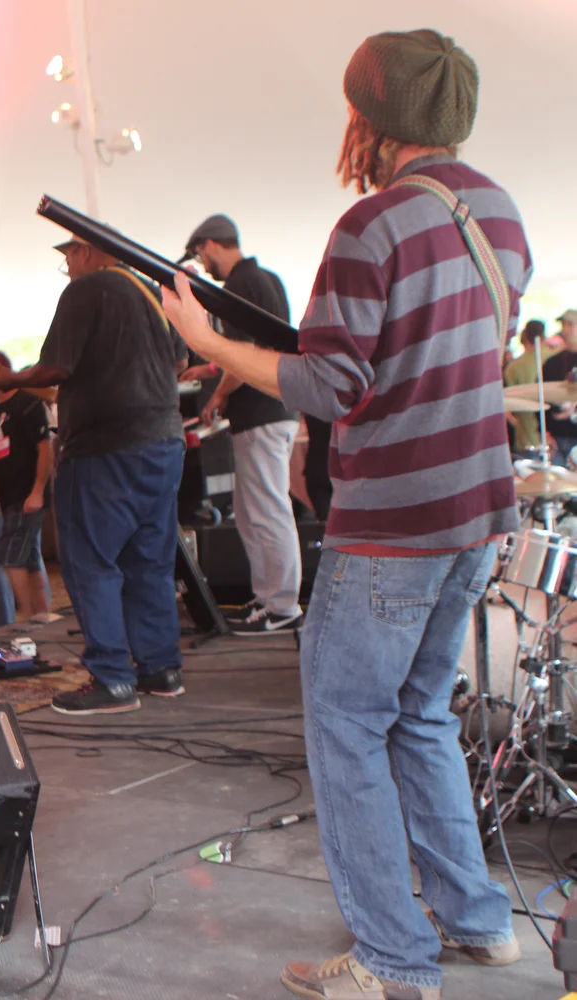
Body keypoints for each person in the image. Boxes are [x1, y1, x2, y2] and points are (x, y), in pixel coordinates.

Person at [162, 29, 527, 997]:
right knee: (420, 716)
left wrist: (204, 336)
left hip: (392, 523)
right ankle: (478, 922)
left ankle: (394, 960)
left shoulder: (373, 224)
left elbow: (330, 386)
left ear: (370, 119)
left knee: (348, 727)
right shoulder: (500, 210)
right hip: (476, 512)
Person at [0, 235, 189, 715]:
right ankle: (161, 670)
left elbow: (56, 366)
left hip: (104, 448)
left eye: (68, 260)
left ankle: (113, 679)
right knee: (150, 562)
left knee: (91, 562)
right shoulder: (152, 292)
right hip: (163, 442)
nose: (69, 270)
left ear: (82, 251)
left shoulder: (86, 290)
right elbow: (181, 362)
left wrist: (11, 380)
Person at [183, 215, 303, 634]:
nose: (203, 262)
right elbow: (266, 346)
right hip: (275, 408)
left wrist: (218, 394)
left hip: (261, 413)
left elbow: (246, 352)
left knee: (266, 509)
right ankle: (268, 598)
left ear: (211, 245)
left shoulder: (238, 286)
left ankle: (282, 605)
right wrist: (210, 369)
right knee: (255, 511)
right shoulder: (267, 279)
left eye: (200, 253)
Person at [0, 362, 54, 621]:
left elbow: (45, 448)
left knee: (11, 558)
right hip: (9, 494)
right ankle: (42, 616)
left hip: (26, 493)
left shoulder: (29, 403)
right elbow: (6, 445)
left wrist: (38, 490)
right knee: (29, 559)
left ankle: (29, 619)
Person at [503, 320, 553, 453]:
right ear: (543, 336)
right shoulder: (555, 357)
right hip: (554, 438)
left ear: (524, 336)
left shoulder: (514, 367)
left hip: (527, 438)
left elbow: (508, 404)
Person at [542, 310, 577, 460]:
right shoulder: (552, 363)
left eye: (570, 324)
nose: (565, 329)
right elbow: (540, 399)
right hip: (557, 439)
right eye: (563, 325)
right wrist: (546, 433)